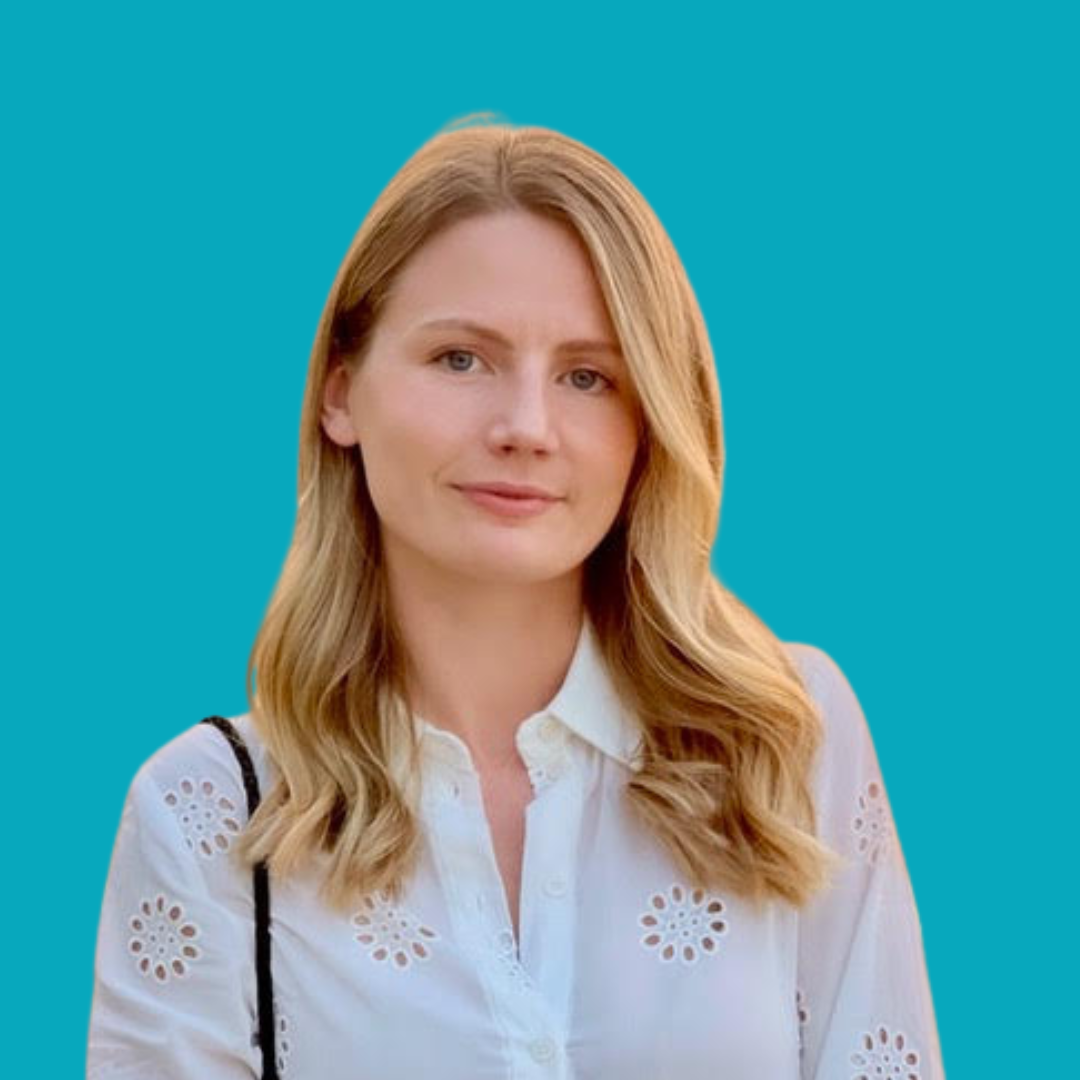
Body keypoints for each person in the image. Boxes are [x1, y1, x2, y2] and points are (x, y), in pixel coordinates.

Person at [86, 117, 945, 1079]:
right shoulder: (207, 812)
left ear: (649, 420)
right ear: (340, 392)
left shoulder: (787, 736)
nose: (527, 427)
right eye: (461, 358)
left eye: (588, 376)